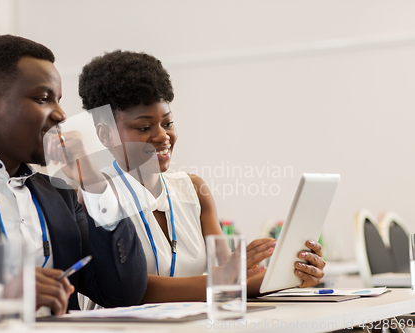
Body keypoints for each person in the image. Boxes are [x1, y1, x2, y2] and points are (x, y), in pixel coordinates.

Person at [0, 36, 147, 328]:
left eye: (58, 100)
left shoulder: (57, 193)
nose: (61, 114)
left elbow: (123, 292)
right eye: (43, 98)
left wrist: (95, 184)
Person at [77, 50, 326, 303]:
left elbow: (228, 281)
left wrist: (290, 274)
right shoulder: (94, 196)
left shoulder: (194, 190)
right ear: (106, 135)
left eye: (168, 123)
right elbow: (131, 289)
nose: (163, 136)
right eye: (144, 127)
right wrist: (235, 278)